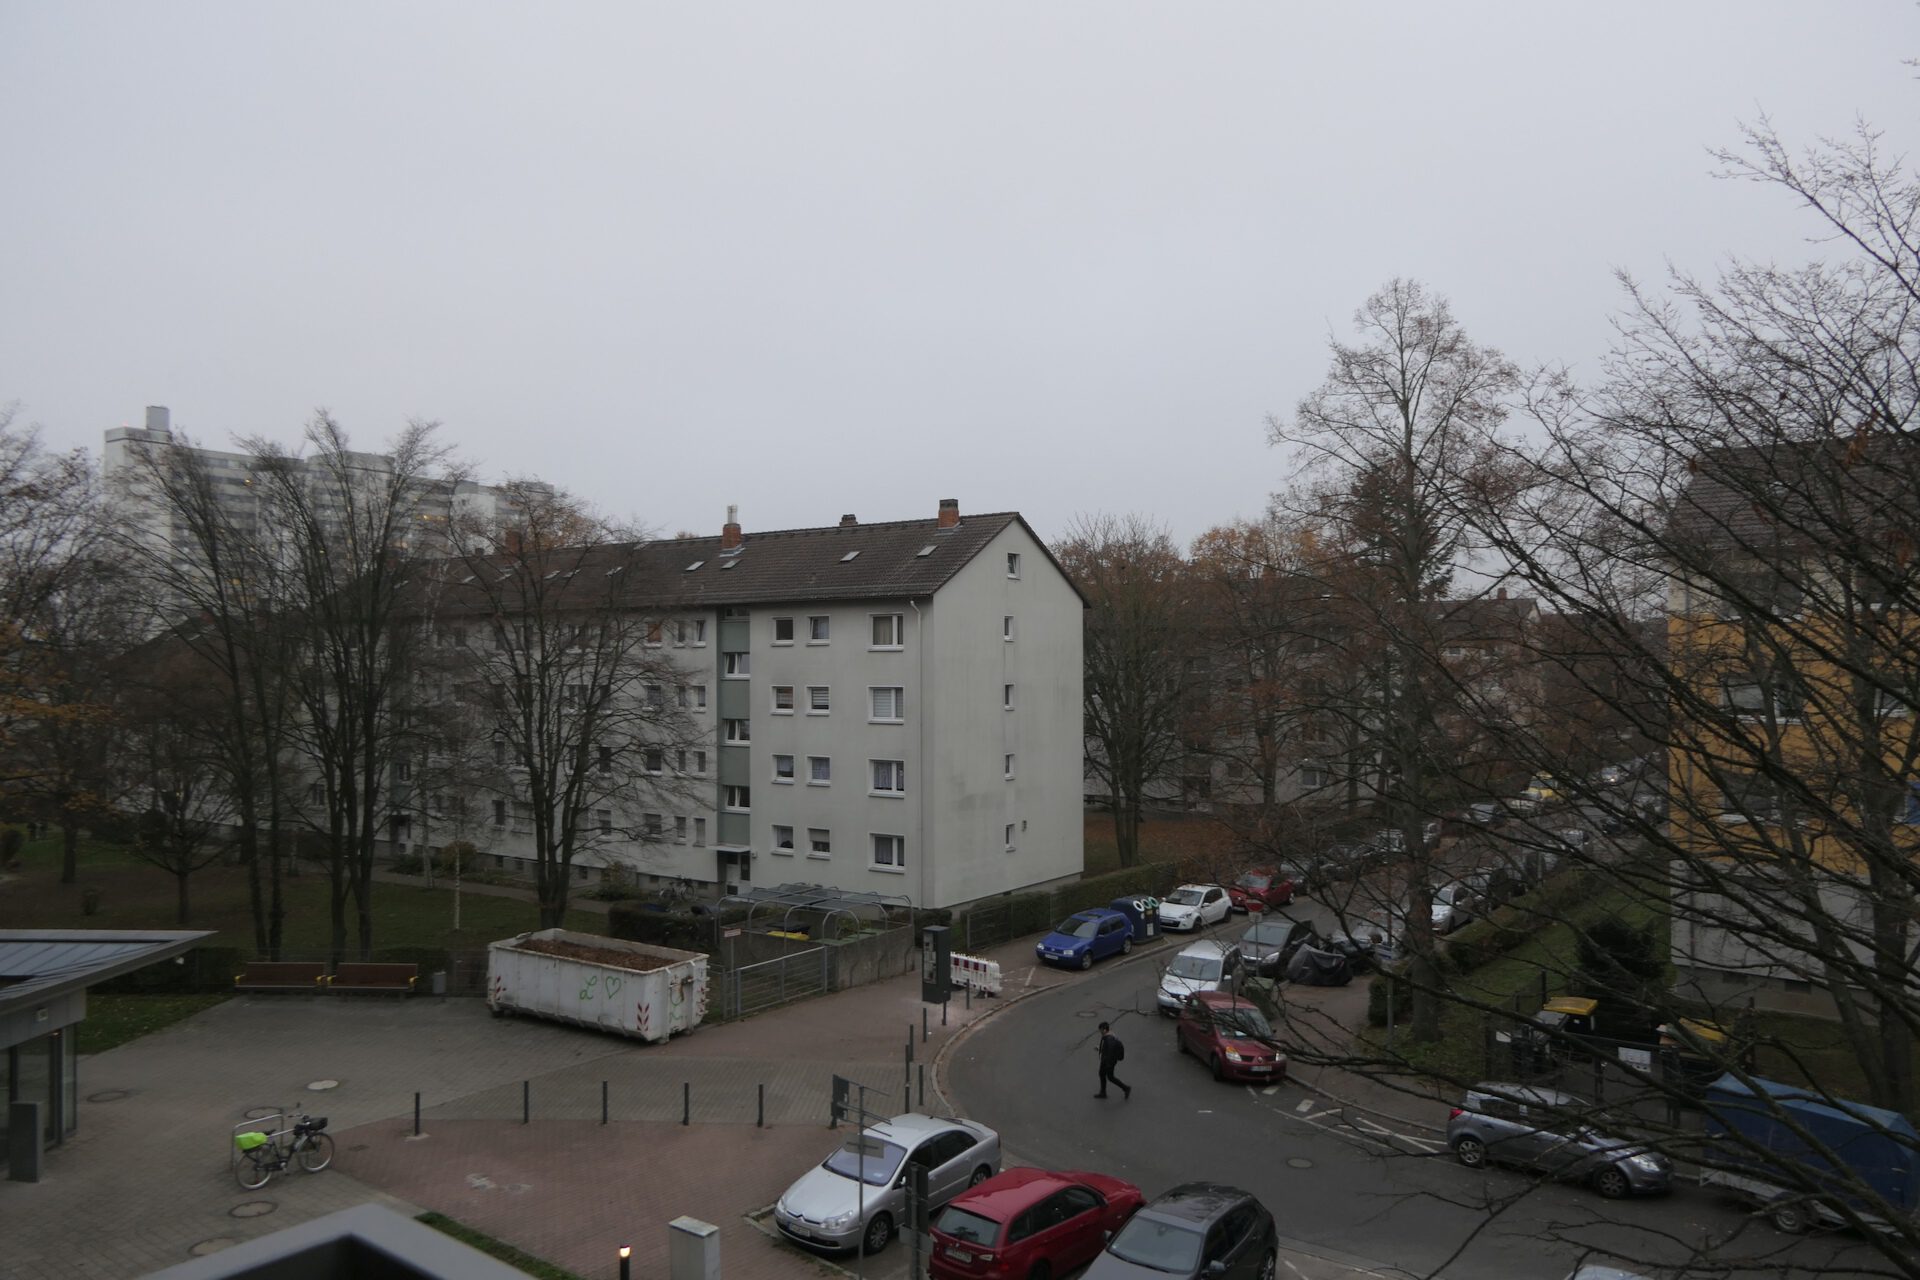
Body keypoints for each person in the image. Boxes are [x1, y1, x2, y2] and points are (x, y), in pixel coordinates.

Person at [1095, 1021, 1131, 1099]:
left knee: (1110, 1077)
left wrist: (1108, 1064)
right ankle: (1103, 1092)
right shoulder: (1108, 1036)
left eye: (1100, 1030)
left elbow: (1110, 1052)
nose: (1100, 1032)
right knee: (1101, 1074)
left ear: (1104, 1030)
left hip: (1108, 1062)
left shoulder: (1109, 1039)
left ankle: (1126, 1088)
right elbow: (1107, 1048)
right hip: (1105, 1061)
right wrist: (1099, 1048)